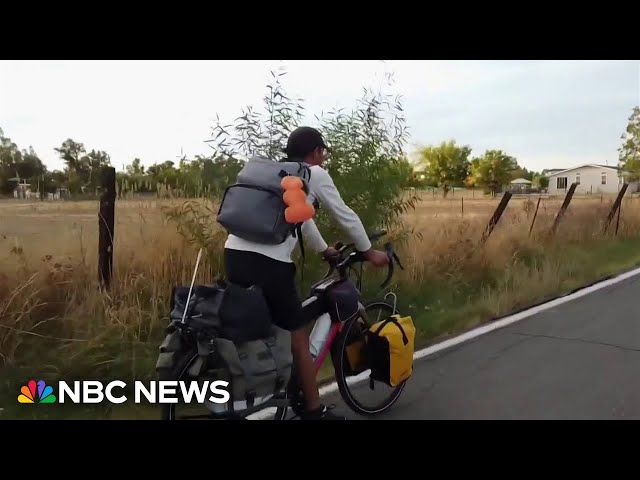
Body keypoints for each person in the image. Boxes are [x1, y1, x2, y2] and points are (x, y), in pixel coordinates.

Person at [223, 126, 389, 420]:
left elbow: (303, 219)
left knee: (261, 326)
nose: (323, 159)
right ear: (316, 152)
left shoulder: (279, 175)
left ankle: (264, 386)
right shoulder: (314, 174)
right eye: (323, 153)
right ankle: (313, 410)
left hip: (234, 253)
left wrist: (324, 249)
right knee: (296, 334)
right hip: (269, 263)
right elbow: (345, 214)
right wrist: (369, 251)